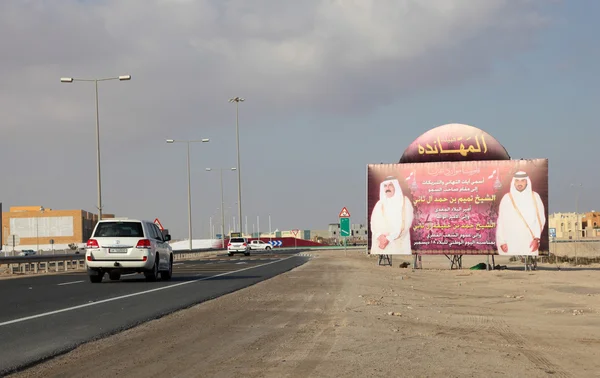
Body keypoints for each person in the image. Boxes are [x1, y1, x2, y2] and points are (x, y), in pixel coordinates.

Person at [496, 171, 546, 255]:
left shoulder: (535, 197)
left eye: (523, 180)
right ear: (513, 182)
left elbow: (540, 219)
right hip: (510, 242)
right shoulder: (507, 198)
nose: (520, 183)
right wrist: (502, 241)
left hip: (529, 241)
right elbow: (501, 221)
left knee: (529, 260)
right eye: (517, 181)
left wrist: (537, 238)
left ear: (527, 181)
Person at [370, 176, 414, 255]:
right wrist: (379, 236)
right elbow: (373, 223)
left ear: (395, 187)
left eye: (390, 185)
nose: (387, 188)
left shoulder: (404, 202)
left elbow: (407, 223)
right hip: (381, 245)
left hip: (399, 246)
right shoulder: (379, 204)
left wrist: (389, 238)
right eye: (385, 186)